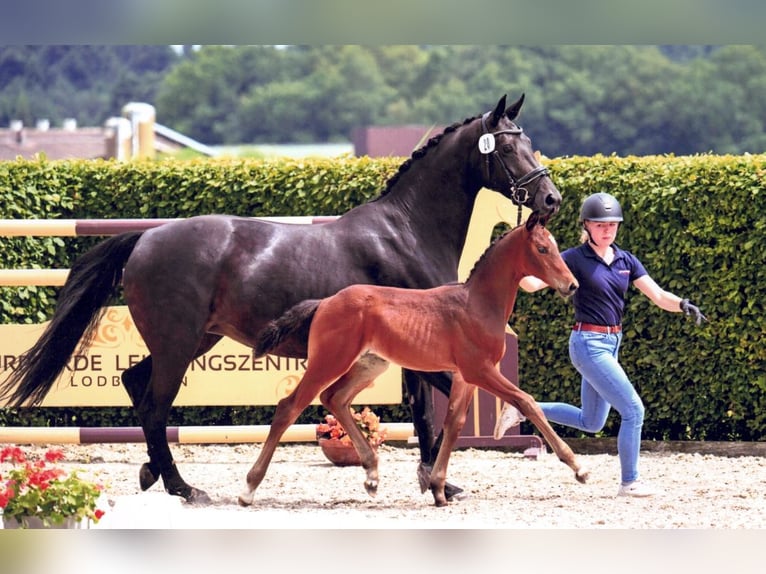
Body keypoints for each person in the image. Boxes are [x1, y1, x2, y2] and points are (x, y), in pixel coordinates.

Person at [494, 192, 706, 497]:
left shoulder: (625, 260)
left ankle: (523, 409)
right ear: (587, 226)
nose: (607, 230)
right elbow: (532, 284)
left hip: (612, 343)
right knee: (634, 410)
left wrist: (683, 303)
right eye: (600, 224)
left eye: (612, 225)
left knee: (591, 421)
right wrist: (511, 256)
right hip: (588, 343)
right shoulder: (574, 258)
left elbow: (658, 296)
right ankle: (629, 482)